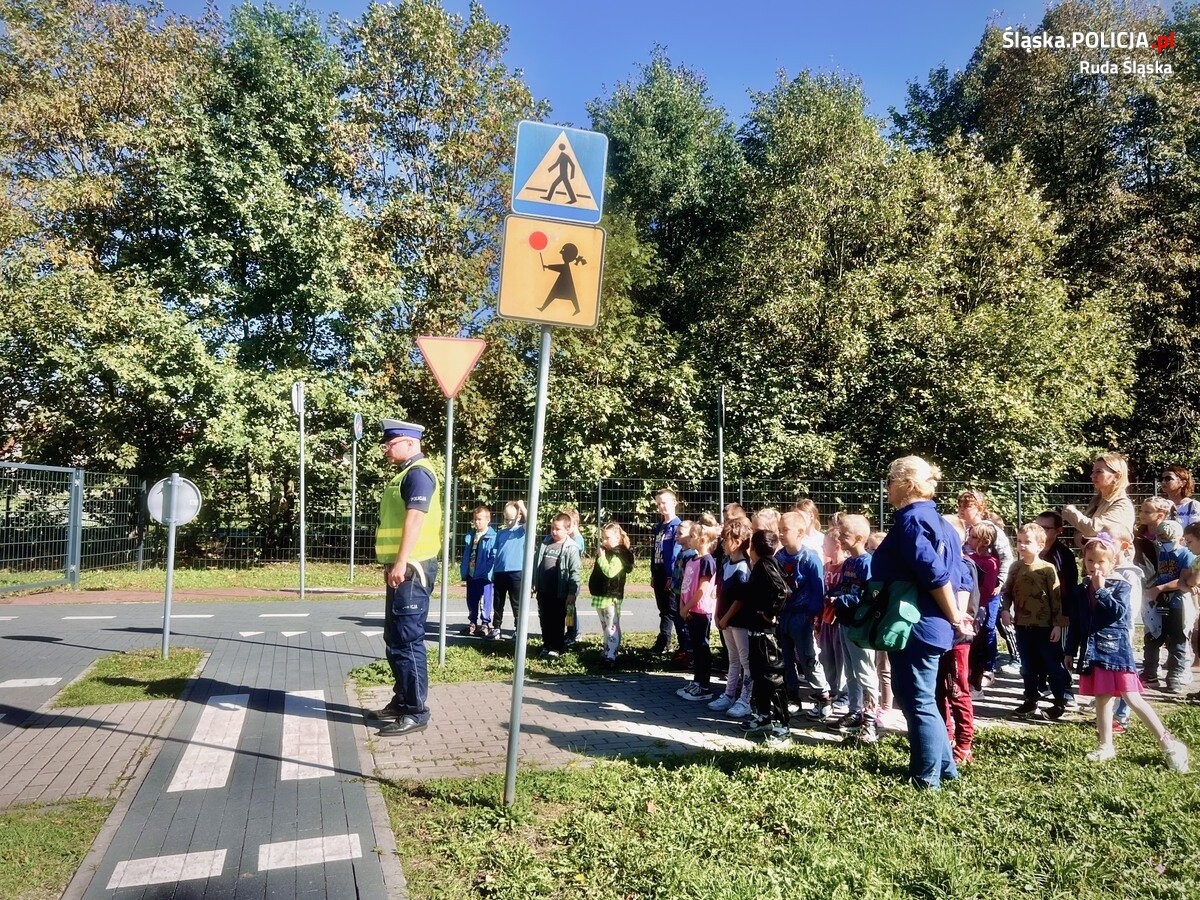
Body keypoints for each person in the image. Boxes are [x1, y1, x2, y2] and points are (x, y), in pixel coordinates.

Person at [873, 456, 971, 790]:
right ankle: (945, 768)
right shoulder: (941, 522)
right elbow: (960, 575)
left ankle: (926, 778)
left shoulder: (912, 521)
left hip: (917, 623)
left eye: (890, 478)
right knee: (919, 696)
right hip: (931, 624)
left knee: (918, 699)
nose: (886, 485)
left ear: (906, 483)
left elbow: (935, 574)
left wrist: (955, 617)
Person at [1065, 534, 1189, 772]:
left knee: (1132, 698)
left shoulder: (1121, 585)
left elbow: (1118, 613)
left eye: (1101, 561)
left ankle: (1169, 743)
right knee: (1102, 698)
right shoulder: (1081, 589)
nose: (1095, 566)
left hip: (1116, 652)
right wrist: (1070, 650)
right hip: (1094, 652)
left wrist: (1101, 591)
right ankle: (1106, 745)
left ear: (1112, 562)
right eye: (1090, 561)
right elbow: (1077, 623)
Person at [369, 419, 442, 737]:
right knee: (395, 639)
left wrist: (400, 562)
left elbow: (415, 520)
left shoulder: (418, 474)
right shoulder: (404, 475)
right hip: (403, 568)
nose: (385, 447)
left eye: (391, 442)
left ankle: (416, 711)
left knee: (407, 642)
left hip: (412, 568)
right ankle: (402, 701)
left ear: (411, 443)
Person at [1000, 523, 1069, 719]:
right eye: (1019, 542)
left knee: (1052, 665)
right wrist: (1005, 610)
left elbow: (1056, 599)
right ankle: (1030, 700)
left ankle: (1059, 701)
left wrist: (1057, 624)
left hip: (1045, 628)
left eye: (1027, 542)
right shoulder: (1016, 567)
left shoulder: (1047, 569)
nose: (1022, 546)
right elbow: (1007, 592)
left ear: (1040, 545)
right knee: (1027, 667)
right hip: (1023, 626)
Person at [775, 510, 829, 719]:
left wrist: (813, 616)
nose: (780, 534)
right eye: (779, 530)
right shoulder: (779, 557)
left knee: (808, 658)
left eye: (785, 530)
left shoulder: (810, 557)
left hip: (802, 616)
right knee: (785, 659)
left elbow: (818, 589)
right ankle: (792, 698)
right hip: (784, 615)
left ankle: (822, 696)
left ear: (799, 532)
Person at [830, 514, 879, 743]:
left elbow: (866, 596)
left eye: (844, 534)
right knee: (850, 671)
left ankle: (871, 721)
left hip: (861, 627)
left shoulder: (868, 564)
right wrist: (833, 595)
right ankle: (854, 711)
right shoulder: (848, 562)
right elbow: (844, 587)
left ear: (859, 538)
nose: (839, 537)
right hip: (845, 622)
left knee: (865, 672)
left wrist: (840, 600)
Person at [743, 528, 792, 747]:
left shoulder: (765, 564)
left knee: (772, 677)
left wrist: (770, 613)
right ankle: (764, 717)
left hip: (766, 635)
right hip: (756, 631)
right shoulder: (765, 564)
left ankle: (783, 728)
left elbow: (783, 590)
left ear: (755, 547)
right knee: (759, 675)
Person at [937, 514, 979, 763]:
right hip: (939, 638)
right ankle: (944, 736)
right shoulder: (940, 564)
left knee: (957, 689)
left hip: (958, 640)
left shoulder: (964, 565)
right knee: (938, 690)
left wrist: (959, 619)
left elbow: (966, 603)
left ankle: (964, 743)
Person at [1144, 519, 1197, 694]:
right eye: (1162, 540)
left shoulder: (1186, 554)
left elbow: (1183, 581)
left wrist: (1160, 588)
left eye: (1169, 540)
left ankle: (1174, 677)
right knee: (1153, 637)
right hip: (1159, 600)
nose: (1165, 544)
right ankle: (1150, 674)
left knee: (1178, 640)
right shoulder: (1162, 553)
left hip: (1178, 602)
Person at [711, 516, 754, 718]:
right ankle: (729, 694)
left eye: (725, 539)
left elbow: (740, 600)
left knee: (746, 661)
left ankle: (745, 699)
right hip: (725, 621)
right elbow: (722, 592)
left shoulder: (744, 567)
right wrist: (718, 615)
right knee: (733, 659)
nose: (721, 543)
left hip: (739, 622)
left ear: (737, 542)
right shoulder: (727, 563)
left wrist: (726, 617)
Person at [676, 523, 720, 701]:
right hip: (689, 610)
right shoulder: (691, 559)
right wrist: (682, 606)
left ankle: (704, 686)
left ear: (702, 540)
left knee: (702, 647)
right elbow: (685, 584)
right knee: (695, 647)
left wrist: (687, 607)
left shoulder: (707, 561)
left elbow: (703, 588)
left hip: (700, 610)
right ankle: (696, 682)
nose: (688, 538)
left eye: (692, 536)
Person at [1062, 452, 1136, 548]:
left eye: (1099, 471)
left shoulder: (1122, 505)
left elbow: (1093, 529)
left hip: (1115, 562)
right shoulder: (1097, 500)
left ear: (1117, 476)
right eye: (1093, 472)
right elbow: (1081, 535)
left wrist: (1070, 512)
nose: (1092, 476)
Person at [533, 512, 581, 658]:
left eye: (558, 529)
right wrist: (535, 582)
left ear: (567, 529)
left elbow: (575, 572)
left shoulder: (571, 548)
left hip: (560, 592)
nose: (554, 531)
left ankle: (557, 647)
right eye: (552, 528)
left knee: (558, 620)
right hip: (544, 590)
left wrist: (572, 593)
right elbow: (537, 564)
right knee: (545, 619)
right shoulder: (546, 542)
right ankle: (547, 644)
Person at [588, 522, 635, 666]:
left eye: (607, 538)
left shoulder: (619, 554)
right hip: (601, 594)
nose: (604, 541)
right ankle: (606, 649)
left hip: (611, 596)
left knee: (612, 625)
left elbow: (610, 572)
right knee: (605, 625)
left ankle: (612, 655)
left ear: (618, 537)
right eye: (602, 538)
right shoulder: (606, 552)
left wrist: (601, 558)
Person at [650, 489, 686, 656]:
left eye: (664, 502)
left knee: (672, 609)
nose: (661, 507)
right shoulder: (659, 526)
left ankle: (674, 642)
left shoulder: (677, 526)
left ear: (674, 503)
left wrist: (672, 576)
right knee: (663, 608)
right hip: (658, 572)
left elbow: (675, 553)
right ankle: (666, 641)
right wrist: (653, 572)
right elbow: (655, 551)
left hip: (669, 574)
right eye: (658, 504)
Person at [490, 500, 527, 639]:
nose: (507, 522)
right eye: (505, 519)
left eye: (510, 519)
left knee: (516, 603)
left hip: (516, 572)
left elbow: (531, 522)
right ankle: (496, 628)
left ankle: (519, 629)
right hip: (500, 572)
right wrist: (493, 570)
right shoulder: (501, 533)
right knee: (498, 602)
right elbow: (495, 552)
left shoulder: (521, 531)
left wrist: (522, 506)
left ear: (518, 517)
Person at [459, 506, 497, 637]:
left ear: (488, 520)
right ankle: (472, 623)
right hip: (471, 573)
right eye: (475, 519)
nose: (477, 522)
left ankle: (485, 624)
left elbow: (493, 556)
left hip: (484, 575)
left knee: (485, 600)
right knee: (471, 599)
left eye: (480, 519)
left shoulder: (492, 537)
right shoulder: (470, 536)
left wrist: (489, 572)